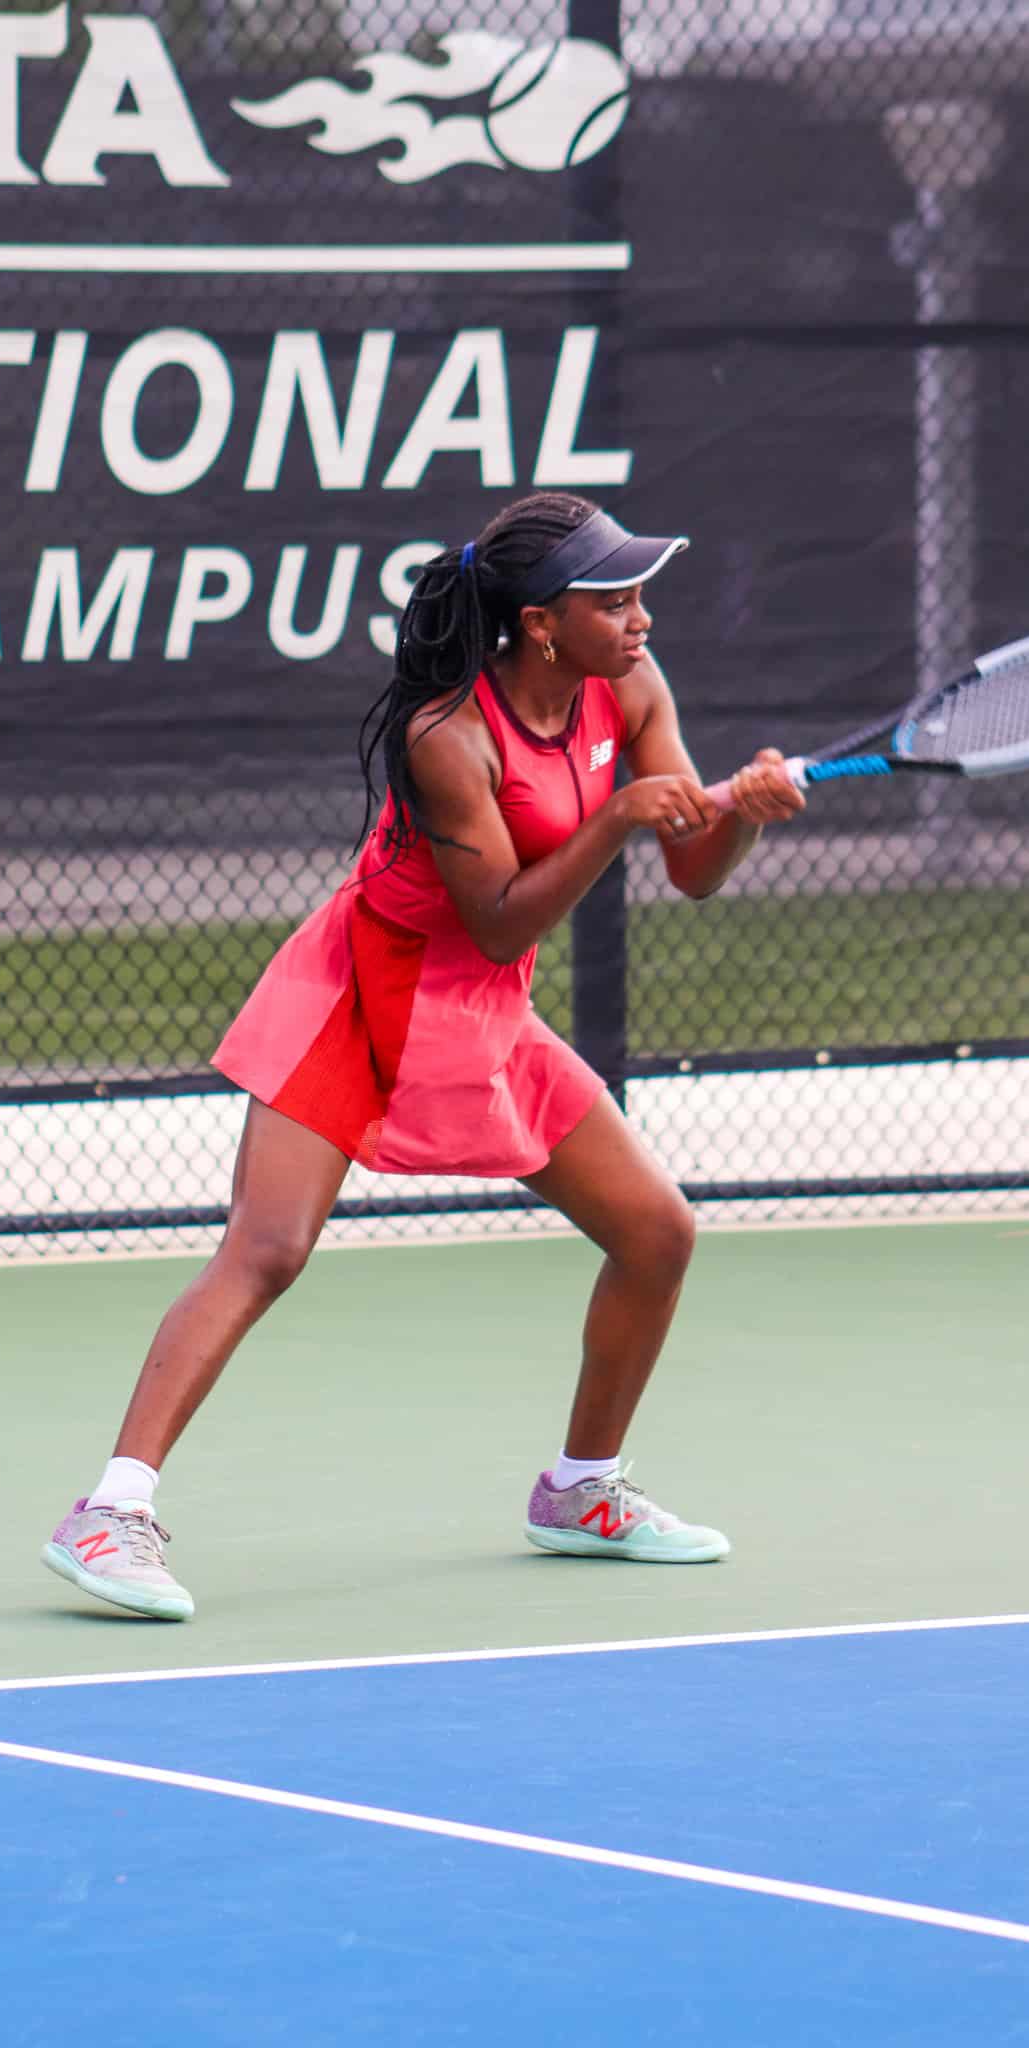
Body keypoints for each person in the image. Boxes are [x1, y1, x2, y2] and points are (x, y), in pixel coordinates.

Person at [42, 491, 804, 1621]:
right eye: (613, 600)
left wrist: (739, 810)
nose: (641, 617)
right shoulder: (446, 732)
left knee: (657, 1231)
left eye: (641, 595)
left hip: (485, 1016)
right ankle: (110, 1512)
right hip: (358, 994)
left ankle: (582, 1488)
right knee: (266, 1249)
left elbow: (691, 869)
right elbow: (496, 917)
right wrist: (617, 818)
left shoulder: (633, 685)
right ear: (541, 623)